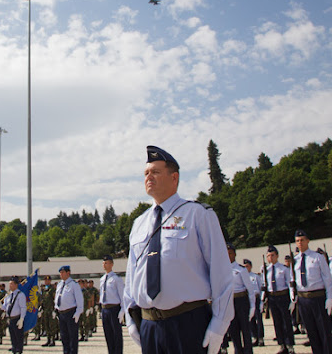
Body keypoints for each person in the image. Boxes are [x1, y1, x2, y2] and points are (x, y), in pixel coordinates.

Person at [124, 145, 234, 354]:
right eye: (146, 173)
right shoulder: (139, 223)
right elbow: (132, 276)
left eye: (156, 172)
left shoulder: (197, 214)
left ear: (174, 178)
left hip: (188, 323)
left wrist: (219, 326)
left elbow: (221, 273)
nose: (149, 177)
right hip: (149, 326)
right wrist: (131, 320)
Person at [294, 228, 332, 354]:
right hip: (303, 299)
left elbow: (327, 278)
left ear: (308, 241)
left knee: (323, 330)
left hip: (317, 297)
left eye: (302, 240)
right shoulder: (294, 260)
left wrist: (329, 298)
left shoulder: (317, 257)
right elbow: (292, 280)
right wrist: (293, 296)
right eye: (297, 241)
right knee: (311, 331)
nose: (300, 243)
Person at [221, 244, 256, 354]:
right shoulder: (222, 270)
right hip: (230, 302)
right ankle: (238, 351)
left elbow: (250, 289)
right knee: (233, 330)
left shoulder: (241, 269)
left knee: (245, 329)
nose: (228, 256)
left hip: (241, 301)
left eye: (230, 253)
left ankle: (248, 351)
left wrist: (252, 306)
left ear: (235, 254)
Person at [263, 245, 295, 354]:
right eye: (268, 256)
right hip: (272, 297)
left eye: (272, 255)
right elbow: (264, 285)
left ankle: (290, 345)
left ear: (277, 256)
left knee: (286, 321)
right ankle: (282, 344)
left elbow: (289, 283)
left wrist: (292, 298)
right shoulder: (266, 270)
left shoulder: (284, 269)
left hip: (283, 296)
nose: (270, 258)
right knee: (276, 322)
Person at [55, 265, 84, 354]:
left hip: (70, 313)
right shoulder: (59, 284)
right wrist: (56, 309)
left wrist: (78, 313)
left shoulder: (73, 285)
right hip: (61, 313)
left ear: (68, 273)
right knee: (64, 337)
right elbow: (57, 297)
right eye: (60, 273)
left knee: (72, 337)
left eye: (63, 272)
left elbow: (79, 300)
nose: (61, 274)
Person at [100, 255, 125, 354]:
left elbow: (122, 295)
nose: (104, 265)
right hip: (105, 309)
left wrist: (122, 310)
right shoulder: (102, 279)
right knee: (108, 334)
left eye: (106, 263)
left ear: (111, 264)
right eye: (103, 263)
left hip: (114, 309)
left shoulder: (116, 279)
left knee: (116, 334)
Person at [0, 277, 26, 354]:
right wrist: (0, 306)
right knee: (12, 336)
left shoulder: (20, 295)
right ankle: (14, 348)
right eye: (9, 284)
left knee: (18, 337)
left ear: (16, 285)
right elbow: (6, 307)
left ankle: (19, 350)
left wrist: (22, 319)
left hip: (17, 318)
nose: (10, 286)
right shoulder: (8, 295)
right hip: (10, 319)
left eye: (12, 284)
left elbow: (23, 308)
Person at [244, 259, 265, 347]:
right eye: (244, 267)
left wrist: (262, 301)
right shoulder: (243, 277)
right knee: (250, 320)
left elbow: (261, 288)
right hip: (248, 300)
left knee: (258, 319)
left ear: (251, 266)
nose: (246, 268)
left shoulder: (255, 276)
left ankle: (261, 338)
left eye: (247, 266)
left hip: (256, 299)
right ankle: (255, 337)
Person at [40, 275, 58, 347]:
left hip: (51, 310)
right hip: (45, 310)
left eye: (48, 280)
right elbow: (42, 299)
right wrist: (41, 307)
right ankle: (48, 340)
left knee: (52, 326)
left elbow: (55, 299)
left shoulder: (53, 289)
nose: (46, 281)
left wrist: (55, 310)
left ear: (50, 281)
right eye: (45, 280)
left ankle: (52, 340)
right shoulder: (43, 289)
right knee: (46, 325)